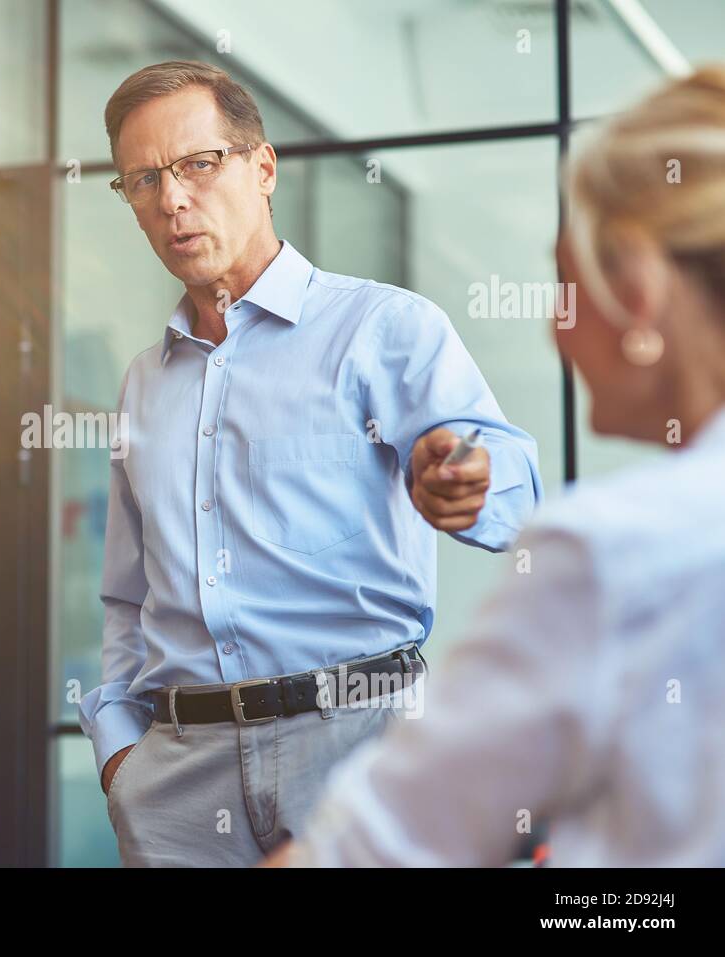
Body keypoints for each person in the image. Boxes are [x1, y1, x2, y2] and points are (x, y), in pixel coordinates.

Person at [78, 60, 543, 866]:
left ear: (263, 168)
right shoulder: (144, 384)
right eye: (143, 180)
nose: (172, 199)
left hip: (359, 745)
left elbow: (511, 485)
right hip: (177, 784)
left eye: (197, 164)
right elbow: (128, 596)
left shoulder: (384, 328)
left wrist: (467, 481)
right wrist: (121, 751)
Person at [261, 65, 725, 867]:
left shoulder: (612, 551)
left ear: (639, 293)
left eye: (564, 283)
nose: (553, 325)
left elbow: (364, 853)